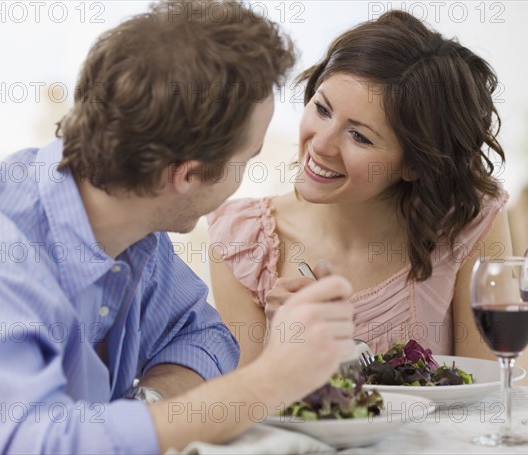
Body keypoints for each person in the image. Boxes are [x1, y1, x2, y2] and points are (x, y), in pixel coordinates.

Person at [0, 1, 356, 453]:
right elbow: (42, 444)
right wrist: (270, 381)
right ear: (187, 175)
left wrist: (148, 405)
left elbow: (202, 337)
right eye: (246, 160)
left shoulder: (129, 222)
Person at [208, 10, 512, 368]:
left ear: (414, 164)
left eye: (359, 136)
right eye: (322, 109)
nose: (321, 145)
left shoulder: (468, 221)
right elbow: (247, 411)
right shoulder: (242, 241)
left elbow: (494, 386)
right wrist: (284, 343)